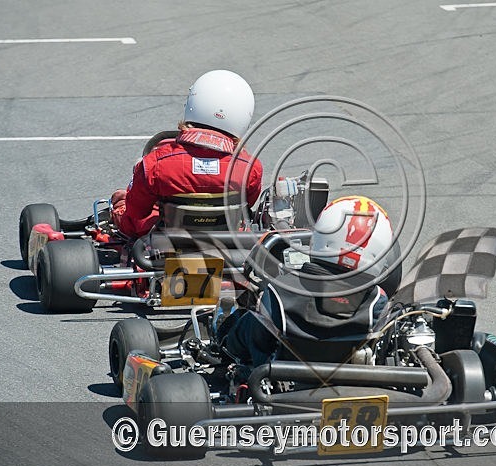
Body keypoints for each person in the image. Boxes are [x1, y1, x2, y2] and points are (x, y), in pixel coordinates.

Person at [223, 196, 395, 366]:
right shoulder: (377, 303)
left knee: (243, 324)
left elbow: (247, 346)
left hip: (279, 389)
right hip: (351, 388)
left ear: (319, 236)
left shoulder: (280, 292)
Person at [111, 70, 263, 238]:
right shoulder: (250, 169)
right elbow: (247, 204)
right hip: (227, 242)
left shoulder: (155, 164)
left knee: (124, 203)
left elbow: (137, 212)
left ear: (194, 103)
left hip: (167, 246)